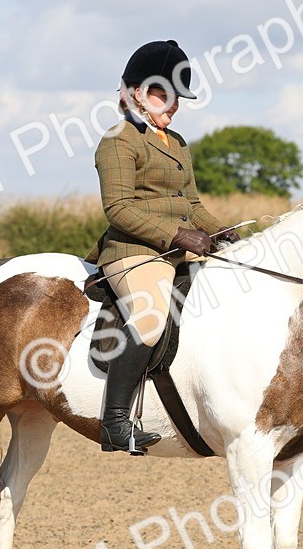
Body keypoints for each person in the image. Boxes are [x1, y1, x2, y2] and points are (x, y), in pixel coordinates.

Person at [85, 39, 236, 454]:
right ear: (135, 92)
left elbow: (192, 205)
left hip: (175, 250)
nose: (172, 105)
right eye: (161, 94)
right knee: (151, 317)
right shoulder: (118, 140)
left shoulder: (179, 144)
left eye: (176, 98)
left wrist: (223, 233)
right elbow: (118, 209)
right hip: (133, 252)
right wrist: (178, 235)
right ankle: (115, 422)